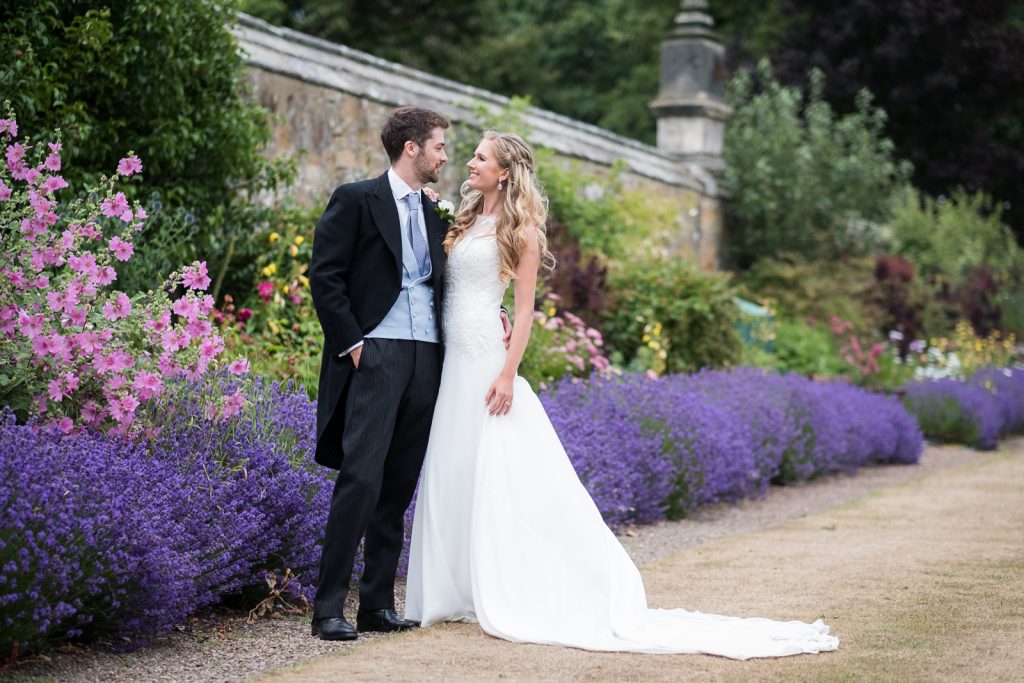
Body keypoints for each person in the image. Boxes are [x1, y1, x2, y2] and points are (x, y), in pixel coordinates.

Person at [405, 131, 840, 659]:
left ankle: (516, 582)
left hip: (486, 361)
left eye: (479, 157)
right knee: (454, 464)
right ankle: (457, 587)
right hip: (454, 358)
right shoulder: (464, 218)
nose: (468, 162)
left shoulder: (521, 232)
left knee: (498, 471)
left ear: (504, 172)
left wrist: (507, 373)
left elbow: (522, 310)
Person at [307, 106, 452, 641]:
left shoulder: (435, 211)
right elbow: (325, 277)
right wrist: (353, 345)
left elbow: (445, 283)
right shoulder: (356, 200)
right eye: (438, 146)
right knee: (361, 480)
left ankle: (375, 605)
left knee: (397, 486)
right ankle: (327, 610)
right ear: (411, 148)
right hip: (377, 352)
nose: (444, 155)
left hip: (427, 357)